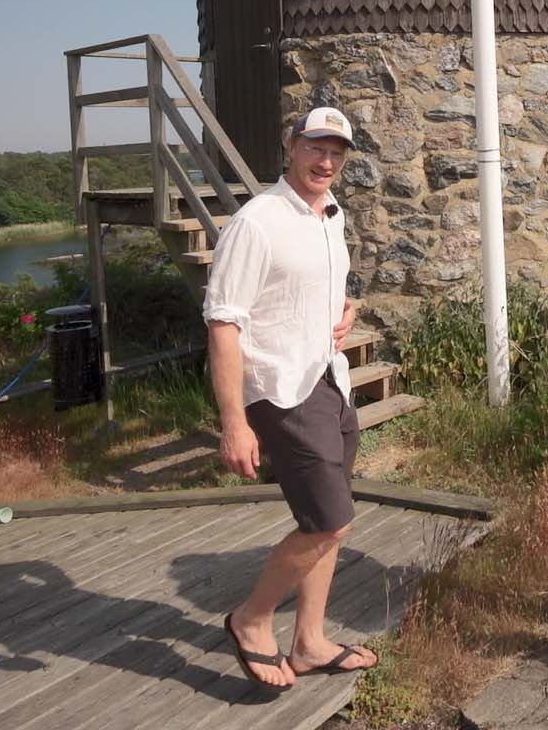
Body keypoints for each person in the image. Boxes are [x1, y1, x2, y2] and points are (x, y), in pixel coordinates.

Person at [205, 106, 377, 690]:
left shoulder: (331, 214)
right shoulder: (257, 222)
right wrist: (234, 421)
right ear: (291, 147)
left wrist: (345, 309)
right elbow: (223, 322)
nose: (325, 161)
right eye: (315, 148)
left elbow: (315, 287)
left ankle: (309, 643)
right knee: (330, 521)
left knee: (328, 520)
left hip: (329, 378)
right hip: (281, 388)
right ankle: (251, 620)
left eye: (336, 153)